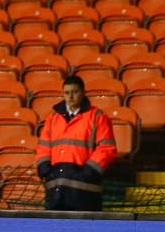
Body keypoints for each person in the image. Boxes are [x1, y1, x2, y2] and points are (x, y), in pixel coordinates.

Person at [35, 75, 116, 211]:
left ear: (83, 92)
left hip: (85, 190)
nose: (70, 96)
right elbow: (43, 147)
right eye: (67, 93)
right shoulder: (53, 118)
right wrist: (45, 170)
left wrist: (88, 172)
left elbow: (106, 148)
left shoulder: (97, 116)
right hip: (56, 189)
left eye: (75, 92)